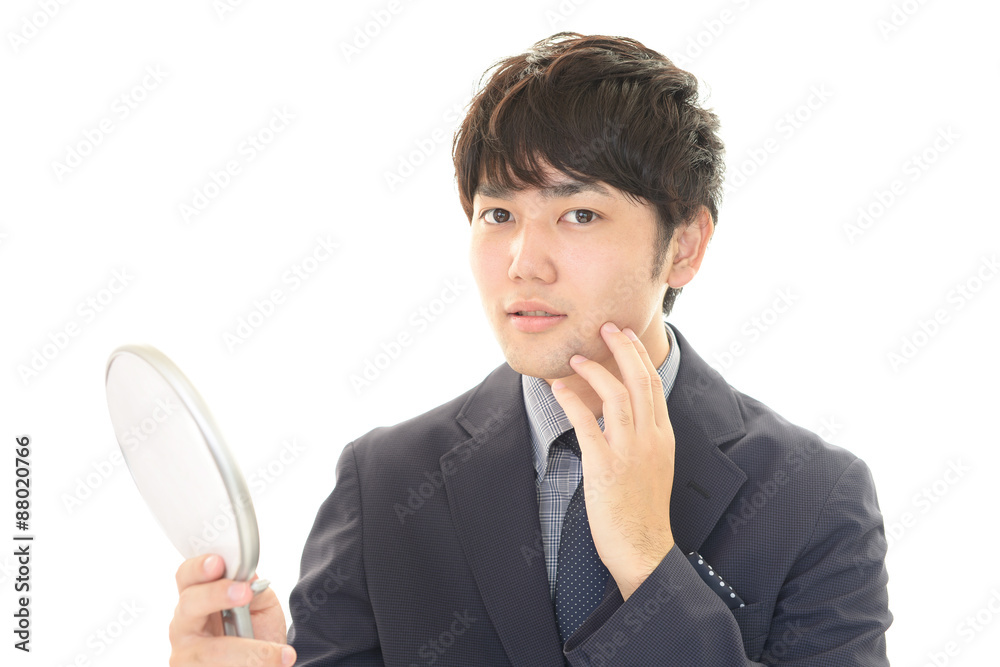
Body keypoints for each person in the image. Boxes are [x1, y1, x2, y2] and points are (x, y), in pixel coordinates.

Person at [169, 32, 892, 666]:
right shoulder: (384, 482)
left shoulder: (812, 494)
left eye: (579, 213)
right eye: (498, 213)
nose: (523, 261)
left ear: (684, 246)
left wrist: (648, 560)